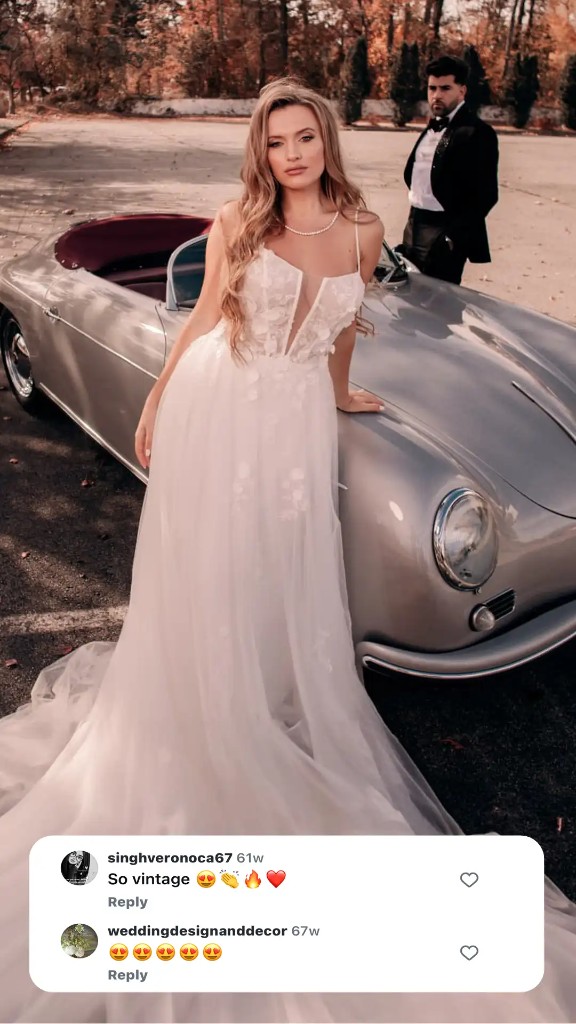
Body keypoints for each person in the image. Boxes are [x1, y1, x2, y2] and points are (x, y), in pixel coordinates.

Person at [0, 77, 574, 1024]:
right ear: (261, 154)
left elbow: (345, 329)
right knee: (214, 564)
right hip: (223, 402)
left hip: (299, 414)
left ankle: (267, 689)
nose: (292, 155)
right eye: (276, 143)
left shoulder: (360, 228)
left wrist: (342, 396)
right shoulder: (236, 223)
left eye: (305, 137)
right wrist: (156, 399)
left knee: (282, 563)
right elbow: (198, 324)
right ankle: (207, 704)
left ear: (326, 142)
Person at [402, 54, 499, 285]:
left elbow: (486, 195)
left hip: (444, 231)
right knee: (410, 303)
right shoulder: (432, 128)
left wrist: (452, 237)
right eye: (432, 88)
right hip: (414, 224)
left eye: (445, 88)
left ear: (462, 91)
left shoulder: (477, 133)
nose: (436, 95)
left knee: (439, 309)